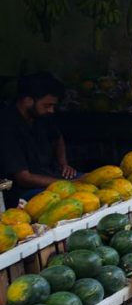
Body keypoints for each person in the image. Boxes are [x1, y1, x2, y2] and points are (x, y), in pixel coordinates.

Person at [0, 72, 76, 206]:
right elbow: (24, 178)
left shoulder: (41, 117)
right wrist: (67, 183)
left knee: (96, 183)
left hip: (52, 176)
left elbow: (58, 139)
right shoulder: (7, 126)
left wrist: (63, 164)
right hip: (26, 191)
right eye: (47, 105)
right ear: (28, 100)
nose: (51, 110)